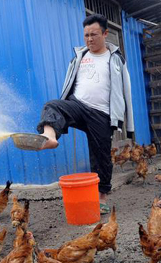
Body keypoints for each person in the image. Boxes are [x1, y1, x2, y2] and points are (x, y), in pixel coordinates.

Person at [37, 14, 134, 214]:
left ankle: (101, 198)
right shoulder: (79, 57)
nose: (90, 39)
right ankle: (49, 136)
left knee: (101, 156)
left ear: (105, 34)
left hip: (102, 114)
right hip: (78, 105)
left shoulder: (116, 59)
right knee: (52, 105)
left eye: (94, 35)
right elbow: (69, 84)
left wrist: (128, 125)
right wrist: (66, 104)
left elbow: (126, 90)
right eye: (86, 35)